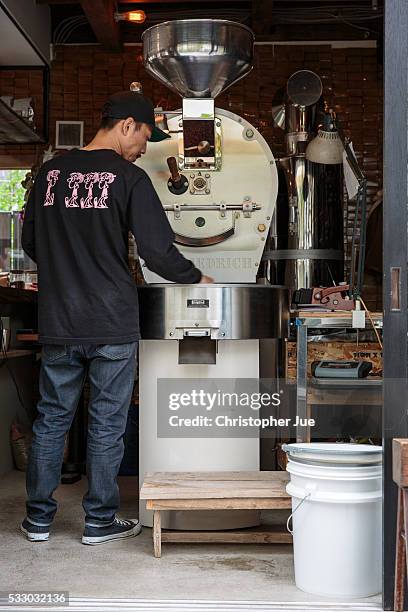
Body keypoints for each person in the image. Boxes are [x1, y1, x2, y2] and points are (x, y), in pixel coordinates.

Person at [20, 90, 213, 546]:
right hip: (112, 322)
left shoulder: (48, 175)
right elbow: (158, 252)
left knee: (51, 419)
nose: (145, 148)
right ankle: (98, 523)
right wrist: (197, 278)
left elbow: (32, 245)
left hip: (60, 320)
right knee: (107, 421)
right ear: (126, 125)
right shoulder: (128, 177)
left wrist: (67, 270)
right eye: (145, 136)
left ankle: (38, 521)